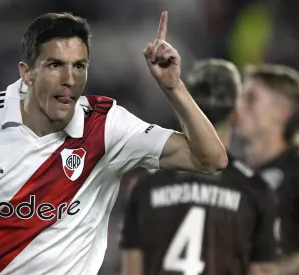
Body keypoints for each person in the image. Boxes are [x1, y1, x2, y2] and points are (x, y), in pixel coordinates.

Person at [0, 11, 227, 275]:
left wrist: (172, 88)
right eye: (55, 66)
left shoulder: (107, 126)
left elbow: (210, 159)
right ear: (26, 73)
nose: (69, 79)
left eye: (79, 66)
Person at [120, 59, 279, 275]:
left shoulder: (146, 185)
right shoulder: (256, 190)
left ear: (185, 111)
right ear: (238, 114)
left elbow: (131, 271)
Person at [236, 64, 299, 274]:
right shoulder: (231, 171)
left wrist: (274, 272)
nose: (238, 106)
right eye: (239, 96)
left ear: (282, 112)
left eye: (251, 98)